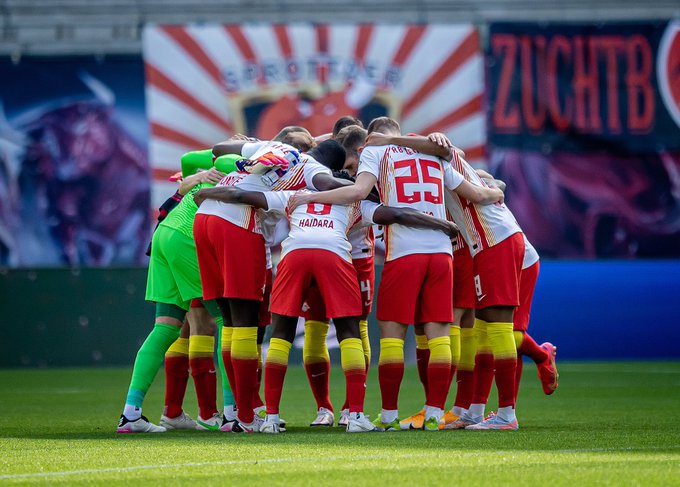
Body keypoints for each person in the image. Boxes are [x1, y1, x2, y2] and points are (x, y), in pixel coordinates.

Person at [288, 117, 503, 431]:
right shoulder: (434, 153)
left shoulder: (376, 152)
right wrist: (496, 191)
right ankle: (434, 415)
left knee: (392, 336)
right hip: (442, 253)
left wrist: (311, 197)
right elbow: (474, 190)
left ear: (372, 139)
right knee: (439, 335)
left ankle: (388, 416)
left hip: (404, 252)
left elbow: (358, 191)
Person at [194, 181, 458, 433]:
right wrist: (442, 223)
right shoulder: (354, 200)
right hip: (333, 252)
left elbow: (241, 196)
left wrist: (207, 193)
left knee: (281, 333)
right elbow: (398, 214)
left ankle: (271, 418)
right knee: (349, 331)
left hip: (294, 254)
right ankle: (355, 415)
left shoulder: (292, 195)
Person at [193, 139, 353, 432]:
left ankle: (236, 411)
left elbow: (218, 149)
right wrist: (360, 188)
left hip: (204, 218)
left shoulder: (271, 146)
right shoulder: (314, 169)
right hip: (237, 221)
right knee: (245, 323)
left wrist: (249, 146)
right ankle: (244, 417)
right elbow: (329, 184)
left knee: (228, 322)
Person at [116, 168, 226, 434]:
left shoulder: (215, 166)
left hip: (162, 235)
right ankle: (233, 414)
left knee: (166, 328)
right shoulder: (250, 165)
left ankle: (131, 414)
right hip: (186, 238)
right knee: (228, 321)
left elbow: (185, 177)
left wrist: (198, 176)